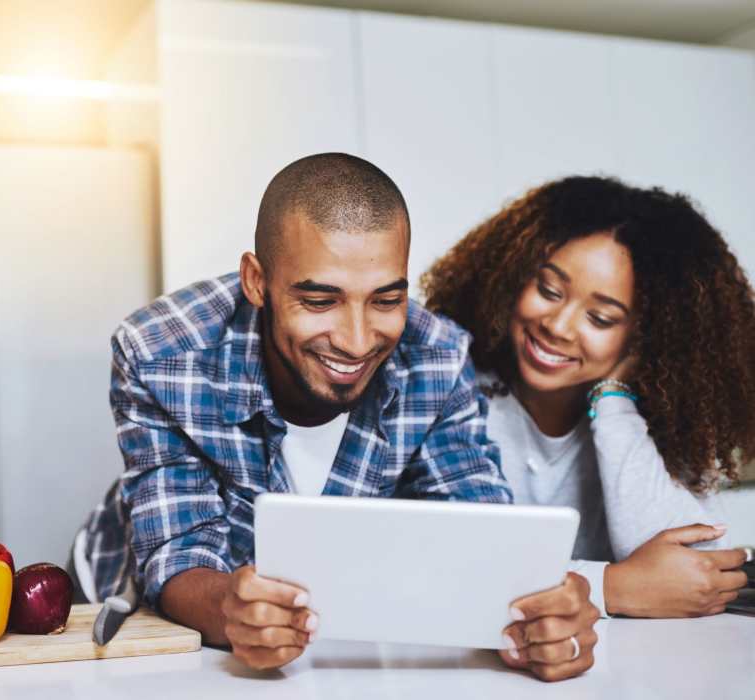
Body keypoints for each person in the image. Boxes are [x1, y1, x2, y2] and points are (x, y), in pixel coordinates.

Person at [70, 153, 598, 681]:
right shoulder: (162, 353)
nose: (357, 340)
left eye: (386, 300)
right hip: (124, 605)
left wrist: (541, 619)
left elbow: (483, 534)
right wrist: (236, 613)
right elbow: (179, 554)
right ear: (257, 282)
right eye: (320, 300)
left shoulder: (437, 358)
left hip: (325, 650)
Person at [420, 175, 755, 620]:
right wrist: (612, 587)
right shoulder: (451, 393)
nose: (558, 326)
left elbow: (696, 576)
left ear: (645, 338)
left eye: (599, 318)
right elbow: (442, 567)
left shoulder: (662, 426)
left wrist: (612, 399)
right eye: (548, 291)